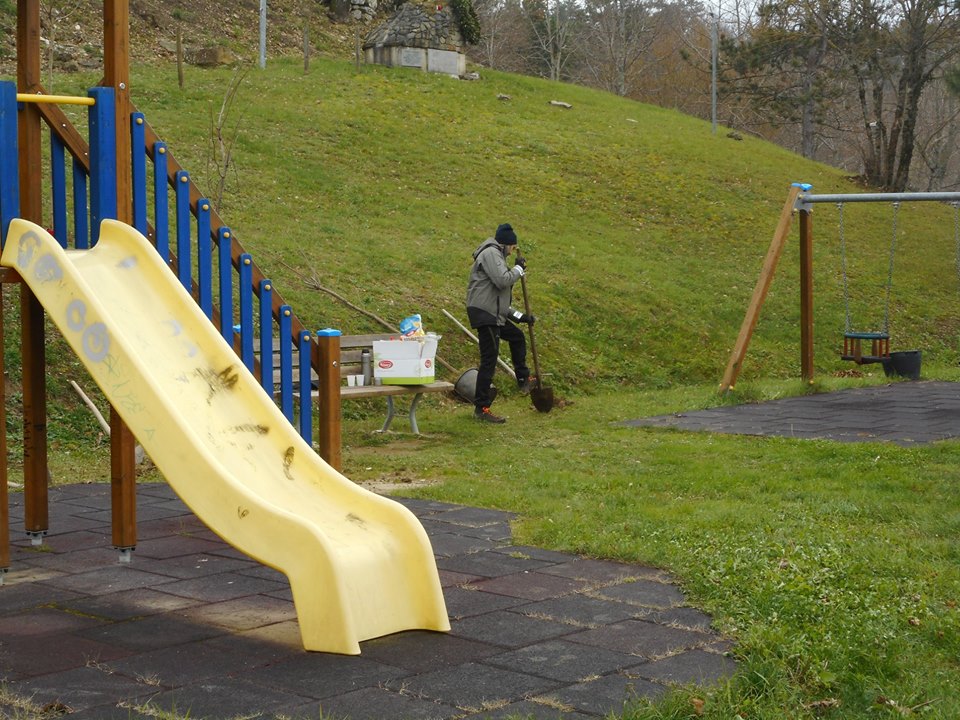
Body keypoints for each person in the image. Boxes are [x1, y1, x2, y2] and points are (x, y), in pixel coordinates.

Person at [465, 223, 535, 423]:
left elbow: (499, 300)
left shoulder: (498, 257)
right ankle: (481, 408)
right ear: (505, 244)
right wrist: (519, 269)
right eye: (512, 247)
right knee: (489, 360)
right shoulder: (491, 253)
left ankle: (523, 379)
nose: (513, 251)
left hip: (493, 313)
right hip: (485, 314)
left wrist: (521, 317)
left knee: (517, 336)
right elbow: (503, 281)